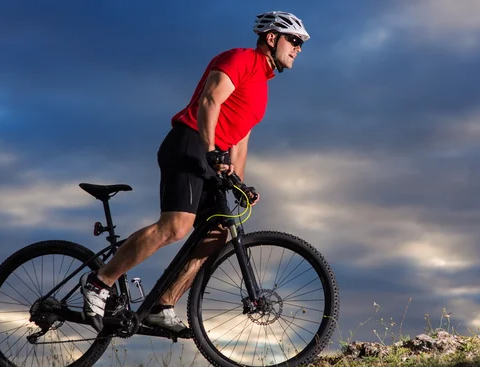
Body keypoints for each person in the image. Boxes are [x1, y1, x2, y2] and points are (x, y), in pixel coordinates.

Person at [80, 11, 310, 333]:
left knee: (215, 235)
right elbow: (209, 101)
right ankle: (99, 281)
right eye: (294, 40)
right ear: (271, 38)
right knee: (176, 227)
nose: (298, 47)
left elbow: (240, 141)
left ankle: (162, 305)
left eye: (301, 43)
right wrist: (211, 149)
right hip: (189, 142)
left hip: (212, 158)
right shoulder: (241, 58)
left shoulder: (263, 86)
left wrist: (239, 184)